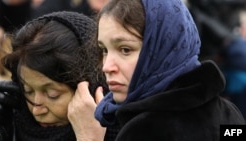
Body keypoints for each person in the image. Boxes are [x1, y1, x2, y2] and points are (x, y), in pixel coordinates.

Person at [89, 0, 245, 140]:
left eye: (125, 49)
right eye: (104, 50)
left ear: (165, 49)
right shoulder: (228, 112)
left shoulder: (144, 130)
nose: (107, 66)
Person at [0, 11, 109, 141]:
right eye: (28, 91)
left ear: (93, 86)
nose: (36, 111)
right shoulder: (13, 125)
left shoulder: (127, 131)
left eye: (52, 95)